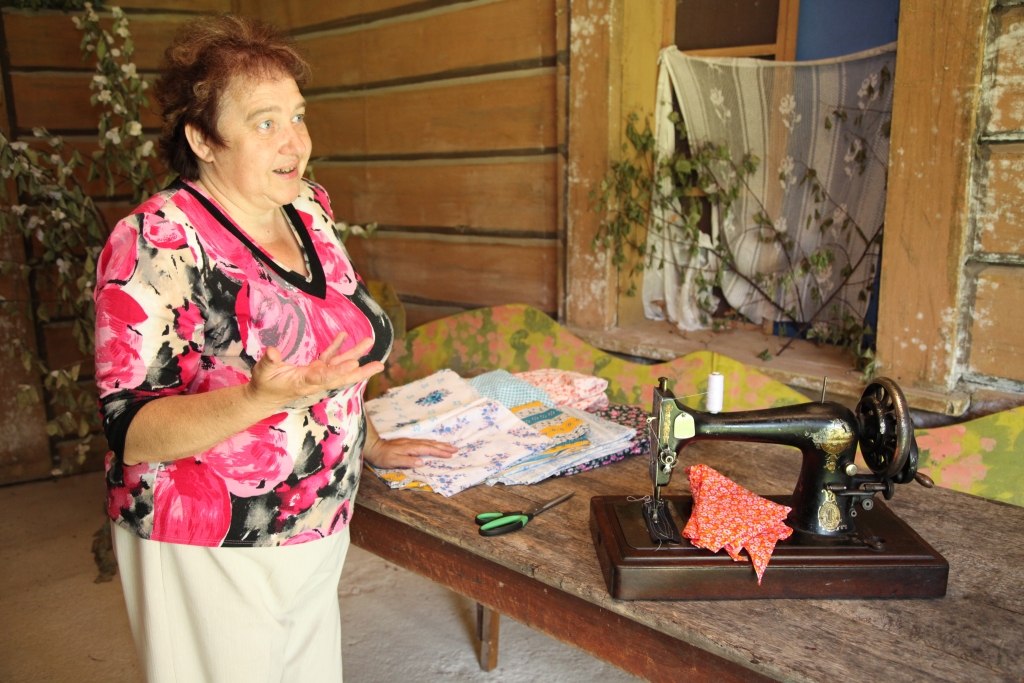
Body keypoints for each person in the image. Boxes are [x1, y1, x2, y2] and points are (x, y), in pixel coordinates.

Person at [93, 14, 456, 682]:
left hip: (316, 522)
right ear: (202, 139)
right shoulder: (155, 240)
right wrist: (256, 399)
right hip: (207, 540)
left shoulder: (307, 208)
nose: (294, 141)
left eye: (297, 115)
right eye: (265, 122)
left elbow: (333, 347)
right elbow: (131, 430)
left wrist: (367, 439)